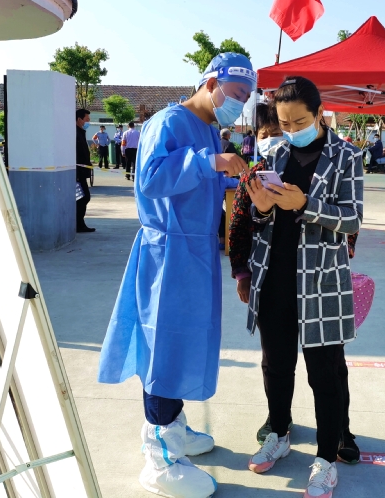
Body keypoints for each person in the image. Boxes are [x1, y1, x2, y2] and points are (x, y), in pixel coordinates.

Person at [98, 53, 255, 498]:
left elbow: (201, 182)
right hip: (167, 254)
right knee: (163, 350)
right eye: (236, 94)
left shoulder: (207, 128)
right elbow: (150, 179)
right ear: (211, 83)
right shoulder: (168, 122)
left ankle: (175, 427)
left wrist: (241, 179)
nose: (239, 105)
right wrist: (210, 163)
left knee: (185, 344)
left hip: (196, 252)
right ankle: (160, 457)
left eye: (246, 98)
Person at [241, 77, 363, 498]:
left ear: (319, 113)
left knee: (324, 373)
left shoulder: (347, 156)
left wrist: (306, 205)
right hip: (274, 276)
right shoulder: (273, 153)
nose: (291, 130)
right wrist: (261, 210)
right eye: (284, 123)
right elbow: (257, 220)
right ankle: (278, 433)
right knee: (275, 365)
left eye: (299, 122)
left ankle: (326, 458)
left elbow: (352, 219)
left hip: (321, 282)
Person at [75, 108, 95, 233]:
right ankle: (79, 224)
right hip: (78, 173)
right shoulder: (75, 134)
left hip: (82, 172)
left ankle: (80, 223)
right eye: (87, 119)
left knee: (83, 197)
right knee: (84, 197)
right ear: (79, 119)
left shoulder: (80, 132)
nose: (88, 122)